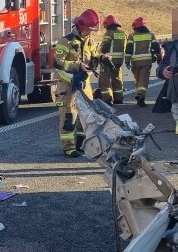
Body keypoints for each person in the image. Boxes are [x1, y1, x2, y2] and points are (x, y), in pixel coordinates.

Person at [54, 9, 99, 158]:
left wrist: (102, 58)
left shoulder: (90, 41)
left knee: (86, 117)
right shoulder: (65, 41)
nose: (90, 33)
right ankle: (68, 147)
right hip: (67, 85)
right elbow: (58, 63)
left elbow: (93, 57)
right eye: (88, 30)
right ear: (81, 26)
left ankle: (81, 144)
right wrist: (77, 66)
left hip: (84, 84)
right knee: (69, 118)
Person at [125, 17, 160, 107]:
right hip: (146, 62)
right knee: (143, 80)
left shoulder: (132, 36)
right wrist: (159, 57)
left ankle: (139, 94)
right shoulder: (150, 34)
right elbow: (156, 47)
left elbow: (129, 49)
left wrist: (127, 61)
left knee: (138, 80)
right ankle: (141, 95)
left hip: (135, 62)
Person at [97, 15, 127, 104]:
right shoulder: (123, 33)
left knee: (105, 81)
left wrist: (100, 52)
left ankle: (107, 99)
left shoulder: (109, 34)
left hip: (108, 60)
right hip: (119, 61)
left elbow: (104, 48)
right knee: (117, 79)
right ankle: (118, 98)